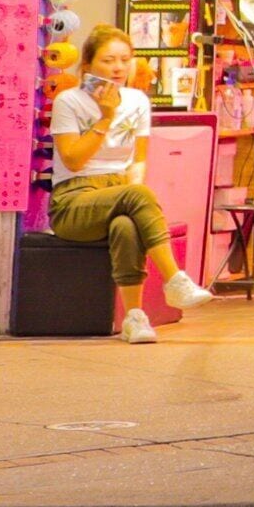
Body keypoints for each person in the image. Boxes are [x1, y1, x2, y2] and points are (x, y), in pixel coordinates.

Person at [50, 26, 213, 344]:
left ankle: (134, 318)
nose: (118, 68)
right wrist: (105, 118)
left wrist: (132, 198)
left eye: (125, 60)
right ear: (87, 66)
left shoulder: (137, 100)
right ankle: (174, 280)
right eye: (109, 60)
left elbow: (138, 161)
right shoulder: (69, 101)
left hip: (120, 192)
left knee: (126, 224)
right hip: (73, 200)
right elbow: (72, 161)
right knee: (135, 196)